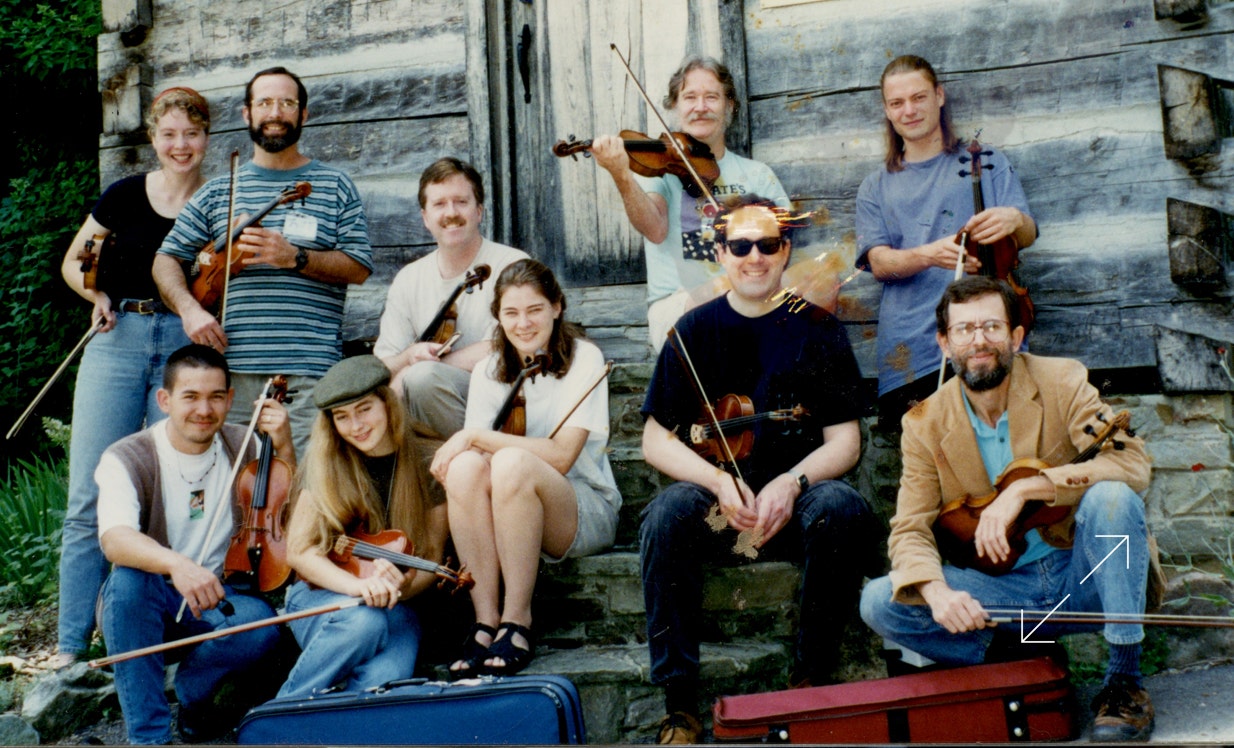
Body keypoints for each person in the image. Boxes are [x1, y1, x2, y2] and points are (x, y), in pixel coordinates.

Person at [860, 276, 1156, 742]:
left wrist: (1027, 490)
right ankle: (1022, 659)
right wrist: (937, 593)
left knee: (1113, 497)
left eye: (993, 327)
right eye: (965, 329)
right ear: (944, 343)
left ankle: (1123, 682)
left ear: (1016, 337)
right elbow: (910, 529)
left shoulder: (1062, 380)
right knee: (880, 600)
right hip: (1002, 595)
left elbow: (1132, 464)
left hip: (1083, 576)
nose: (979, 340)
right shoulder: (923, 423)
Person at [639, 197, 880, 744]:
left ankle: (809, 682)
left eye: (768, 245)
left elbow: (845, 441)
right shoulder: (693, 330)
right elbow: (655, 440)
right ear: (720, 252)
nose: (754, 257)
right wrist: (718, 481)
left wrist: (791, 484)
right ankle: (679, 704)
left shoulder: (817, 329)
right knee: (665, 513)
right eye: (740, 246)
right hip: (722, 519)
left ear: (785, 250)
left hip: (793, 514)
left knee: (840, 508)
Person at [55, 87, 211, 667]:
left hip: (181, 345)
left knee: (163, 494)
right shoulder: (123, 196)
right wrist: (93, 292)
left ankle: (146, 644)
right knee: (88, 494)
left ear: (205, 138)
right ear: (153, 138)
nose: (180, 145)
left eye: (191, 134)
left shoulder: (220, 201)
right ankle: (71, 646)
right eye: (169, 134)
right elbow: (75, 260)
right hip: (117, 338)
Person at [154, 66, 373, 456]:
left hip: (309, 371)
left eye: (287, 103)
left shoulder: (335, 185)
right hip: (230, 373)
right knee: (237, 494)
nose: (276, 112)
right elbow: (167, 258)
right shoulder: (219, 192)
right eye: (265, 103)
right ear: (247, 113)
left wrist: (296, 257)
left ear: (303, 115)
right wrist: (189, 309)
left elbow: (357, 266)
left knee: (306, 488)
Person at [430, 258, 620, 678]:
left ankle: (518, 621)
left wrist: (476, 437)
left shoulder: (584, 358)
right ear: (497, 317)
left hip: (583, 507)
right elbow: (476, 462)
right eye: (511, 313)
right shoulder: (489, 369)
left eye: (535, 310)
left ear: (556, 306)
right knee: (464, 468)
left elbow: (560, 457)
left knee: (512, 461)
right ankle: (485, 622)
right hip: (511, 504)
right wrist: (471, 445)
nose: (524, 324)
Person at [97, 344, 291, 744]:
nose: (204, 409)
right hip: (153, 598)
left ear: (230, 400)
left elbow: (292, 507)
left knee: (261, 629)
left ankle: (192, 693)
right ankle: (150, 738)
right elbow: (115, 539)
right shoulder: (128, 456)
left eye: (215, 397)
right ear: (164, 400)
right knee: (127, 584)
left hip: (222, 597)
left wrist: (284, 444)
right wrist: (177, 565)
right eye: (191, 396)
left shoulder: (248, 446)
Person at [855, 55, 1036, 434]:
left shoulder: (984, 162)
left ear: (939, 96)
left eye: (918, 97)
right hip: (910, 352)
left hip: (983, 340)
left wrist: (1015, 220)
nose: (909, 110)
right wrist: (927, 255)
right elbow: (878, 263)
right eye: (897, 103)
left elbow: (1027, 234)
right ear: (887, 111)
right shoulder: (875, 185)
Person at [591, 56, 789, 351]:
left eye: (712, 97)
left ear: (730, 106)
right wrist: (621, 174)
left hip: (752, 296)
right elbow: (656, 230)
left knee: (820, 278)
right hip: (678, 303)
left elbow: (784, 239)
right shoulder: (661, 171)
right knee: (727, 294)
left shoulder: (757, 174)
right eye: (690, 97)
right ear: (675, 107)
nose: (700, 107)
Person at [277, 354, 447, 698]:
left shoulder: (429, 460)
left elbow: (430, 559)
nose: (356, 426)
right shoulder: (326, 462)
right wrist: (358, 588)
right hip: (318, 593)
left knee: (387, 677)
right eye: (342, 417)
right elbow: (299, 552)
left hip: (394, 605)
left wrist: (399, 588)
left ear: (387, 403)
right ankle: (281, 714)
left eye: (364, 409)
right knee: (361, 623)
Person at [374, 157, 528, 437]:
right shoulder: (409, 279)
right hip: (428, 405)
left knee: (421, 378)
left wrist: (416, 369)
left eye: (461, 202)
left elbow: (505, 345)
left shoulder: (512, 264)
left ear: (479, 211)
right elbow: (384, 365)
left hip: (502, 400)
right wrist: (409, 356)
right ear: (425, 218)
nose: (451, 212)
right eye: (440, 204)